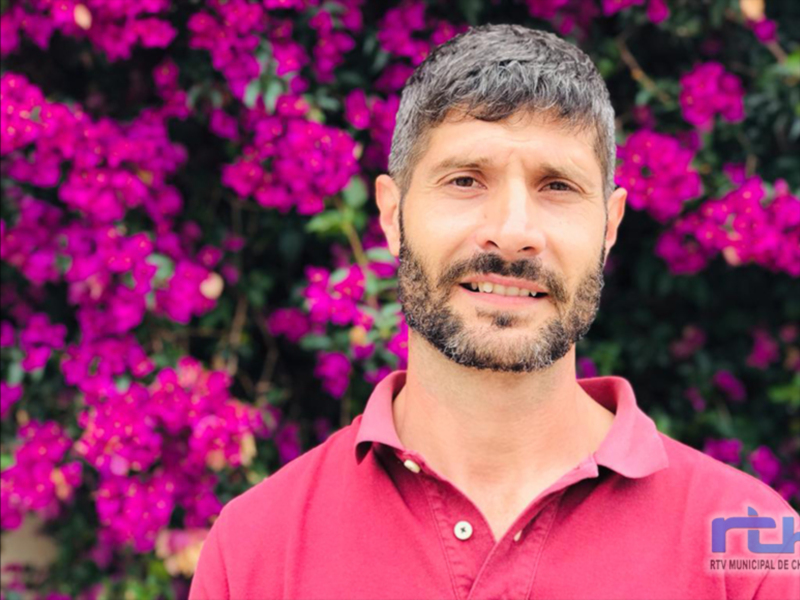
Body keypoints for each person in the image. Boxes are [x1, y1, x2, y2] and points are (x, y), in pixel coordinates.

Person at [190, 24, 799, 600]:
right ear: (390, 215)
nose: (512, 234)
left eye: (557, 186)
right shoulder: (255, 547)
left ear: (610, 225)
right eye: (465, 181)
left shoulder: (751, 548)